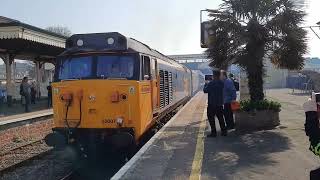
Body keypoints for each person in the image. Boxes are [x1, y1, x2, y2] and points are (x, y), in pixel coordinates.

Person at [203, 70, 227, 137]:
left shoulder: (211, 83)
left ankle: (214, 133)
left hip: (212, 104)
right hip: (219, 104)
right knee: (221, 118)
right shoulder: (222, 83)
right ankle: (224, 132)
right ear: (219, 75)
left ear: (214, 75)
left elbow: (205, 90)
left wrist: (206, 84)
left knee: (211, 118)